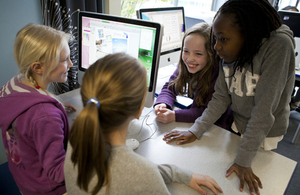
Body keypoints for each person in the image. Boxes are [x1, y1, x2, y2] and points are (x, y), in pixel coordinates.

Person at [163, 0, 295, 194]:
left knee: (262, 176)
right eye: (215, 38)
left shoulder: (278, 47)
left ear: (247, 35)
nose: (216, 47)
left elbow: (263, 112)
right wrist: (196, 130)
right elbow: (220, 99)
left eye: (223, 39)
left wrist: (243, 160)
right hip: (238, 124)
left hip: (265, 131)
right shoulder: (227, 54)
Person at [64, 53, 223, 195]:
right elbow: (141, 173)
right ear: (140, 110)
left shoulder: (77, 138)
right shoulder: (143, 173)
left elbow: (137, 172)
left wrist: (179, 174)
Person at [0, 23, 76, 194]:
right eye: (64, 60)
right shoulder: (45, 116)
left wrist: (54, 103)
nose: (70, 64)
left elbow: (21, 107)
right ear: (38, 67)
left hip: (27, 180)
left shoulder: (16, 83)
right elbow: (57, 172)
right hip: (51, 190)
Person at [154, 22, 233, 131]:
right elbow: (170, 87)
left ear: (211, 55)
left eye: (198, 54)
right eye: (186, 51)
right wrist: (163, 104)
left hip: (217, 128)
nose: (190, 59)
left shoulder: (217, 74)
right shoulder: (186, 65)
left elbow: (207, 112)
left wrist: (174, 115)